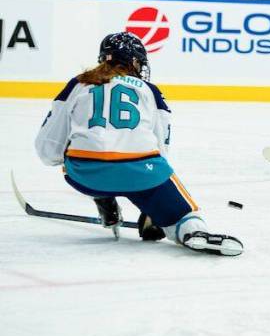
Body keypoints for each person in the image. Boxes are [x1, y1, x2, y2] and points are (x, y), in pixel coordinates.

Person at [33, 32, 242, 255]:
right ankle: (192, 231)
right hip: (141, 176)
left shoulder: (79, 83)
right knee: (180, 210)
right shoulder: (149, 90)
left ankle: (105, 200)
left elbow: (48, 147)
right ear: (134, 61)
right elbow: (161, 150)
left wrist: (67, 158)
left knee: (85, 152)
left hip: (84, 177)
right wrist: (154, 208)